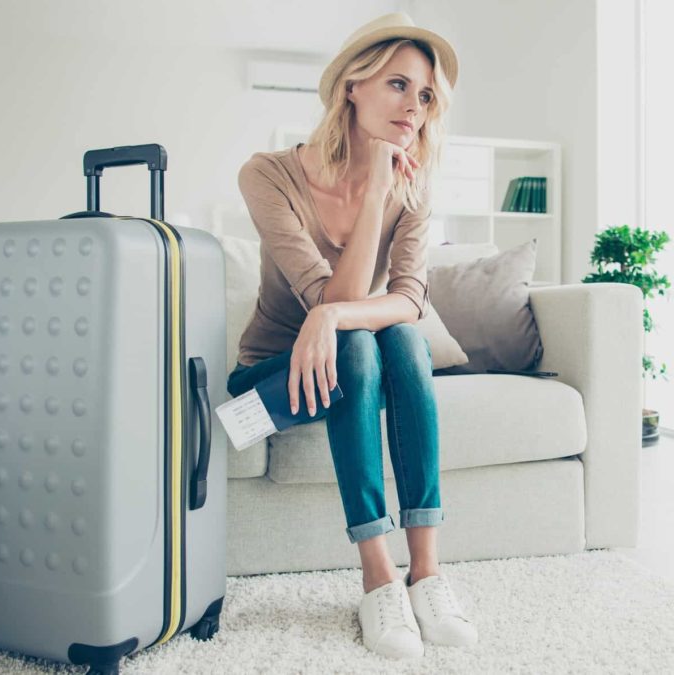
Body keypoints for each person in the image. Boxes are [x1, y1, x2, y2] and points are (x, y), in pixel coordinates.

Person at [227, 12, 475, 660]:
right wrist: (372, 197)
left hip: (348, 358)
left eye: (424, 96)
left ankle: (426, 571)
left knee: (399, 340)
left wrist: (335, 318)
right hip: (270, 379)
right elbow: (329, 297)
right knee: (367, 338)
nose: (414, 108)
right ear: (352, 87)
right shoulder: (268, 176)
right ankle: (377, 575)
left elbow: (409, 300)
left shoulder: (414, 187)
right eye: (398, 85)